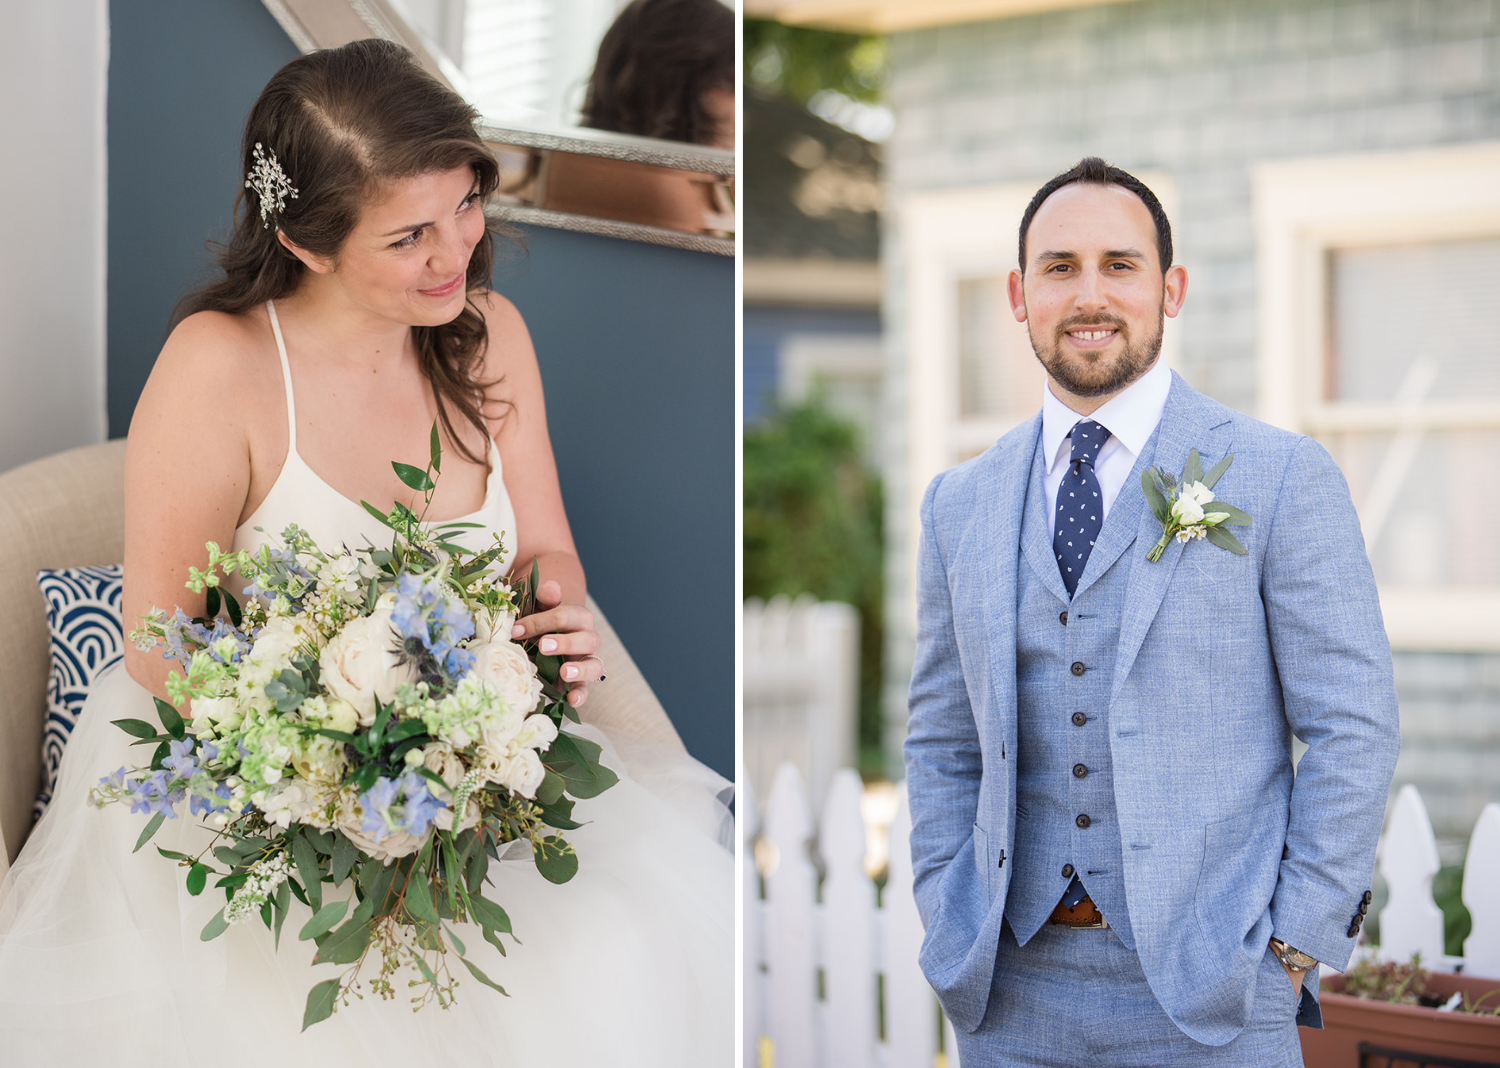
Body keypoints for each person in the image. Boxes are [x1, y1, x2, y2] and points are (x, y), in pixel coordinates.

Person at [0, 39, 731, 1066]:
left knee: (617, 946)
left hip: (470, 766)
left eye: (468, 205)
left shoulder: (490, 335)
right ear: (306, 242)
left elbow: (544, 549)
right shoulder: (220, 367)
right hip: (252, 777)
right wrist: (330, 781)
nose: (457, 255)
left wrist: (549, 608)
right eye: (410, 236)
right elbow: (163, 640)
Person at [903, 157, 1401, 1066]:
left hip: (1216, 996)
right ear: (1019, 295)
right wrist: (946, 907)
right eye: (1060, 267)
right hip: (1011, 999)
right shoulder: (958, 504)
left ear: (1170, 288)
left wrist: (1289, 949)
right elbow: (942, 739)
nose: (1089, 294)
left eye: (1119, 265)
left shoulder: (1281, 477)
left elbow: (1352, 727)